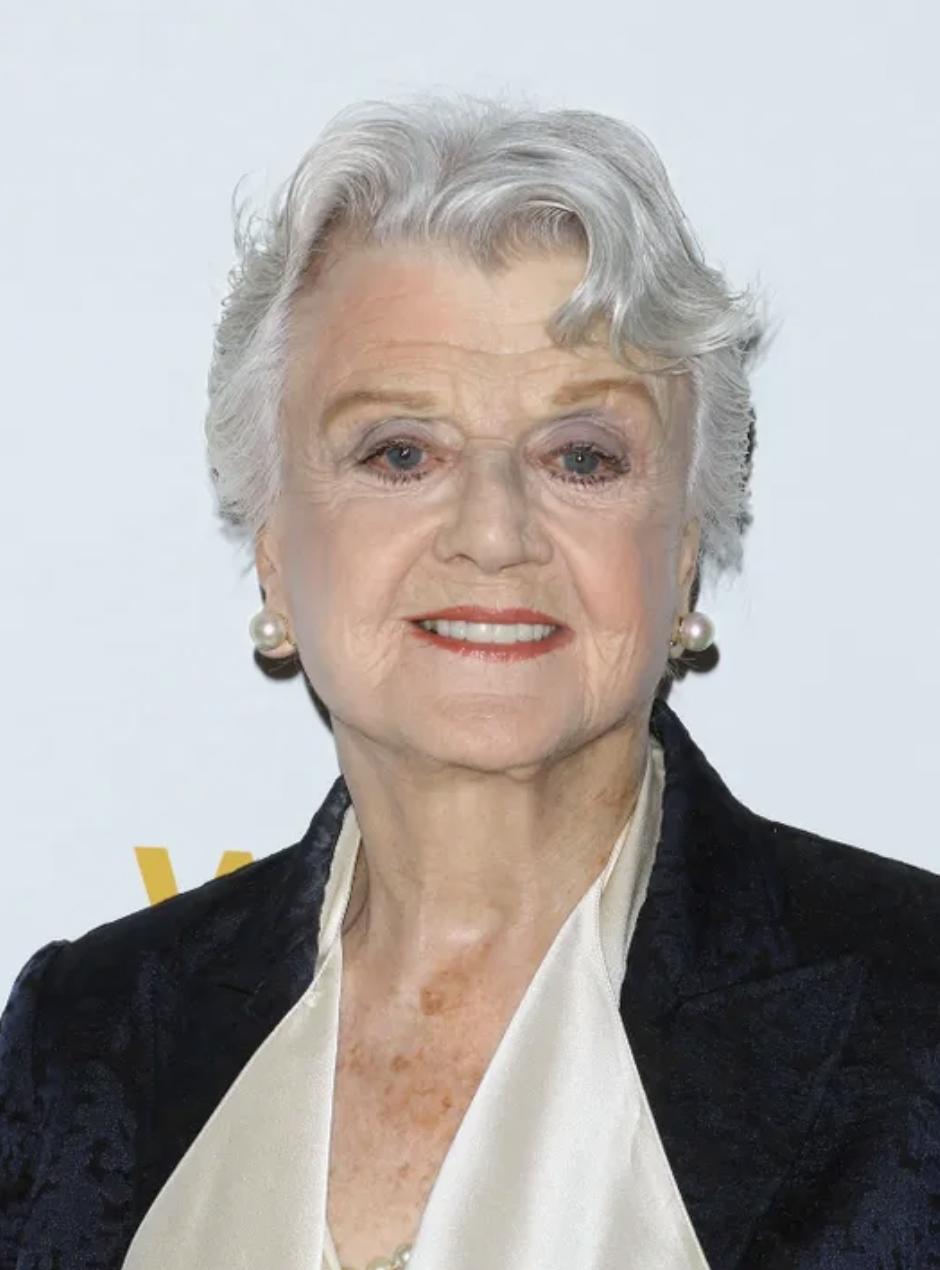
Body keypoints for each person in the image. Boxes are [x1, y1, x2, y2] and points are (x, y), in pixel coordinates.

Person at [1, 93, 939, 1270]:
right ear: (277, 559)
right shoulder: (83, 1034)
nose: (494, 532)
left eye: (581, 456)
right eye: (400, 452)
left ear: (684, 553)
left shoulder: (916, 1020)